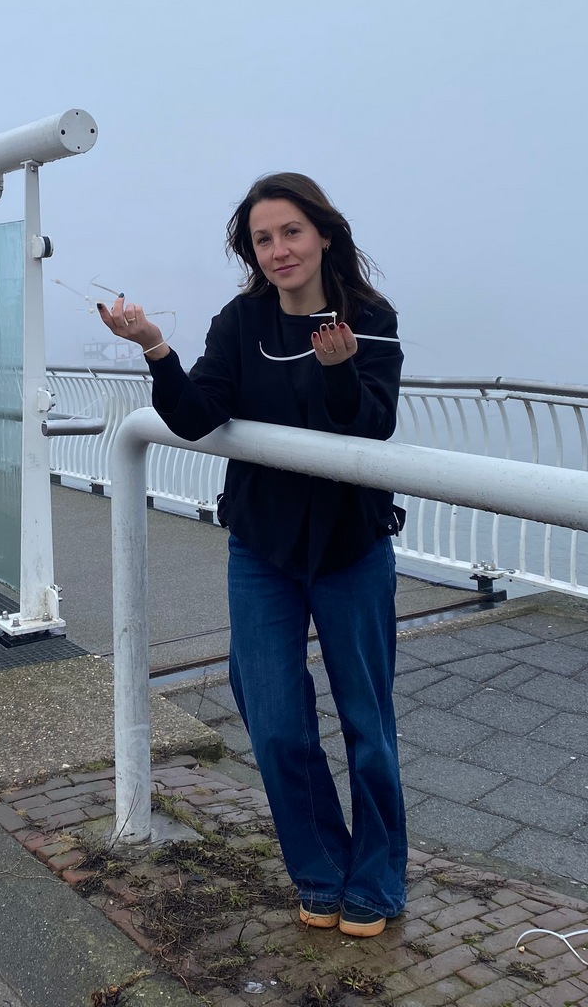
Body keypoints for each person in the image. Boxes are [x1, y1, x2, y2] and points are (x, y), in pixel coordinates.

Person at [98, 172, 406, 938]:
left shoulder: (370, 319)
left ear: (324, 234)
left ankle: (376, 878)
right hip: (263, 547)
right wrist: (156, 349)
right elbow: (201, 416)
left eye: (291, 232)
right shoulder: (241, 323)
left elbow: (370, 430)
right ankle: (319, 870)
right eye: (264, 239)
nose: (279, 250)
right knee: (273, 719)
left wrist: (339, 368)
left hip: (349, 547)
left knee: (367, 724)